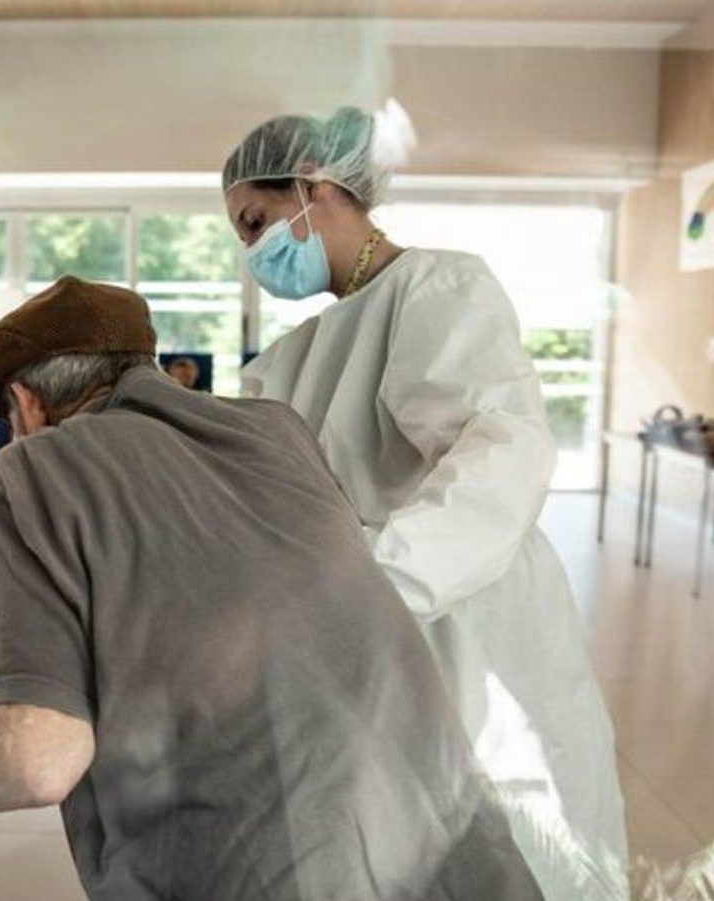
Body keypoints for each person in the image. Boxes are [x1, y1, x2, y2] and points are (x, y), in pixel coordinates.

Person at [0, 276, 542, 901]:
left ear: (27, 405)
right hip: (466, 862)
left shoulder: (27, 472)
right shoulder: (276, 432)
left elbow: (34, 757)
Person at [224, 107, 628, 900]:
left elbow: (500, 454)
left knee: (512, 834)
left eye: (256, 221)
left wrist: (378, 584)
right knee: (383, 840)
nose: (253, 252)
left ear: (314, 188)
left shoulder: (439, 286)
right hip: (353, 623)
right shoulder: (291, 356)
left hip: (465, 616)